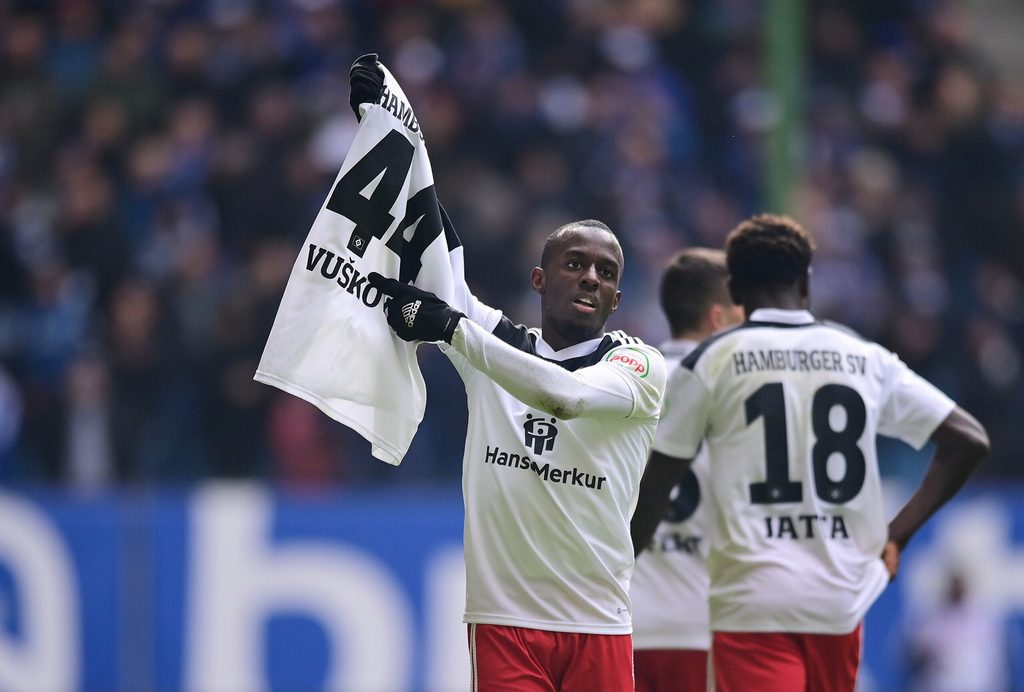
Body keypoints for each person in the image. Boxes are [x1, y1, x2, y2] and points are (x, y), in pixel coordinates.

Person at [631, 213, 989, 692]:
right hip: (840, 601)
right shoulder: (863, 356)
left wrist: (615, 569)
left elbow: (655, 487)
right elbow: (968, 439)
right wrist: (896, 536)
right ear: (806, 282)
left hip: (754, 600)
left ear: (735, 291)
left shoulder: (713, 361)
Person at [630, 248, 743, 692]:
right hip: (704, 626)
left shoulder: (625, 381)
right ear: (717, 318)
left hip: (624, 623)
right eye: (741, 310)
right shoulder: (735, 394)